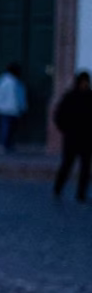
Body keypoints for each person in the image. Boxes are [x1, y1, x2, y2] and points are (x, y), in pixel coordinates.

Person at [52, 70, 92, 202]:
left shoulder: (90, 97)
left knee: (85, 167)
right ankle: (58, 188)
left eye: (86, 82)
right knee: (67, 164)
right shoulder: (69, 97)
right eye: (83, 82)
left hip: (86, 138)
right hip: (72, 137)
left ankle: (81, 194)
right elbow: (59, 116)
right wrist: (66, 129)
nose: (85, 84)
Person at [0, 62, 27, 152]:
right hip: (8, 109)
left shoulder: (10, 81)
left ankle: (8, 144)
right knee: (6, 128)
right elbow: (14, 97)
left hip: (11, 109)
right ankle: (4, 145)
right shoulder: (8, 81)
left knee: (10, 128)